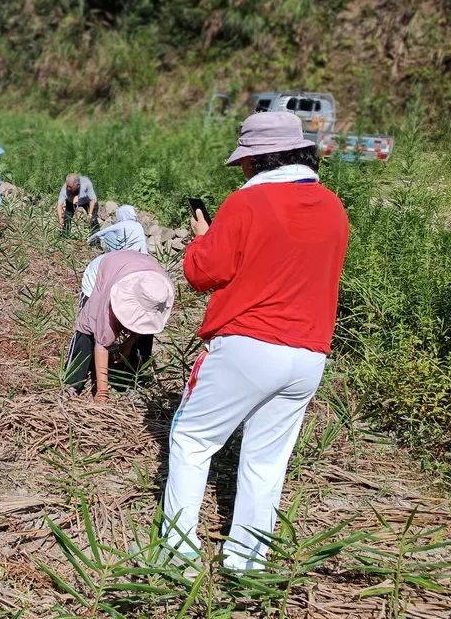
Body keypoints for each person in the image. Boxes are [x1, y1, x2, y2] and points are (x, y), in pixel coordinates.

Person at [161, 111, 349, 571]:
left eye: (245, 162)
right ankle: (247, 565)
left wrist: (201, 240)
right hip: (309, 354)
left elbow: (202, 273)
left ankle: (178, 557)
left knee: (192, 440)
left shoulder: (246, 204)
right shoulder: (332, 207)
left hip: (247, 343)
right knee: (266, 462)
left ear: (259, 160)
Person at [67, 251, 175, 399]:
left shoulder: (160, 291)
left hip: (135, 267)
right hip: (102, 270)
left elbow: (145, 324)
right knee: (89, 328)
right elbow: (101, 345)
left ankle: (134, 379)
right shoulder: (111, 293)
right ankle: (73, 382)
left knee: (146, 330)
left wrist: (129, 343)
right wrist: (102, 393)